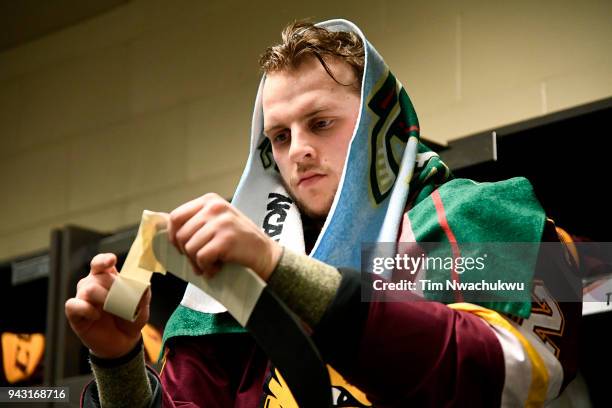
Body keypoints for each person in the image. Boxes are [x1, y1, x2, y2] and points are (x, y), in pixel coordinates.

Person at [65, 19, 580, 407]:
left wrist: (279, 270)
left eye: (322, 123)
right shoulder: (228, 285)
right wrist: (118, 360)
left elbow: (507, 378)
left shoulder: (489, 215)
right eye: (281, 136)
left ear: (380, 126)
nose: (298, 152)